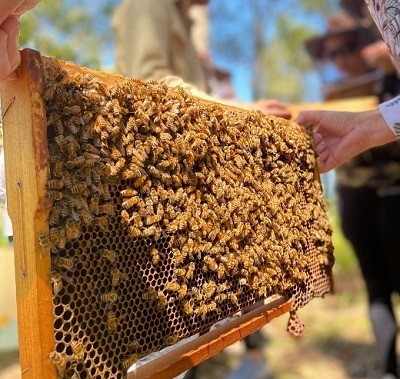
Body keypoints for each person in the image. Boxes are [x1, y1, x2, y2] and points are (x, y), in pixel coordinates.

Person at [305, 8, 400, 378]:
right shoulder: (333, 94)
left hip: (395, 192)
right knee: (375, 286)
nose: (341, 59)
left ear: (366, 45)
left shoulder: (391, 80)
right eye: (332, 54)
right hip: (354, 198)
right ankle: (388, 370)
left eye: (348, 48)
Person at [112, 0, 291, 119]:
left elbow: (190, 96)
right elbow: (148, 84)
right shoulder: (145, 5)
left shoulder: (184, 19)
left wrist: (234, 103)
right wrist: (238, 110)